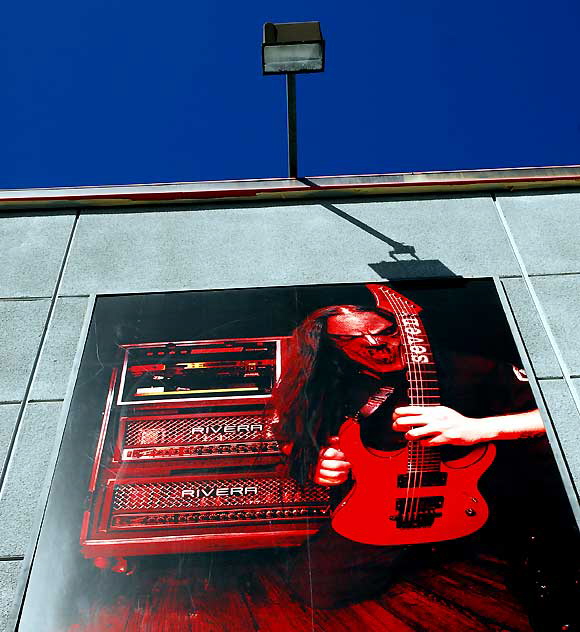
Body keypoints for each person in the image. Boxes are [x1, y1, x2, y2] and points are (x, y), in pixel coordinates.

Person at [272, 303, 549, 609]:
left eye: (387, 332)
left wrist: (480, 429)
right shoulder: (323, 376)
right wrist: (316, 462)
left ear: (410, 325)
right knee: (313, 586)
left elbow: (562, 413)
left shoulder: (471, 362)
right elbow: (289, 438)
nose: (376, 346)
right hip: (388, 509)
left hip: (483, 500)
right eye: (351, 339)